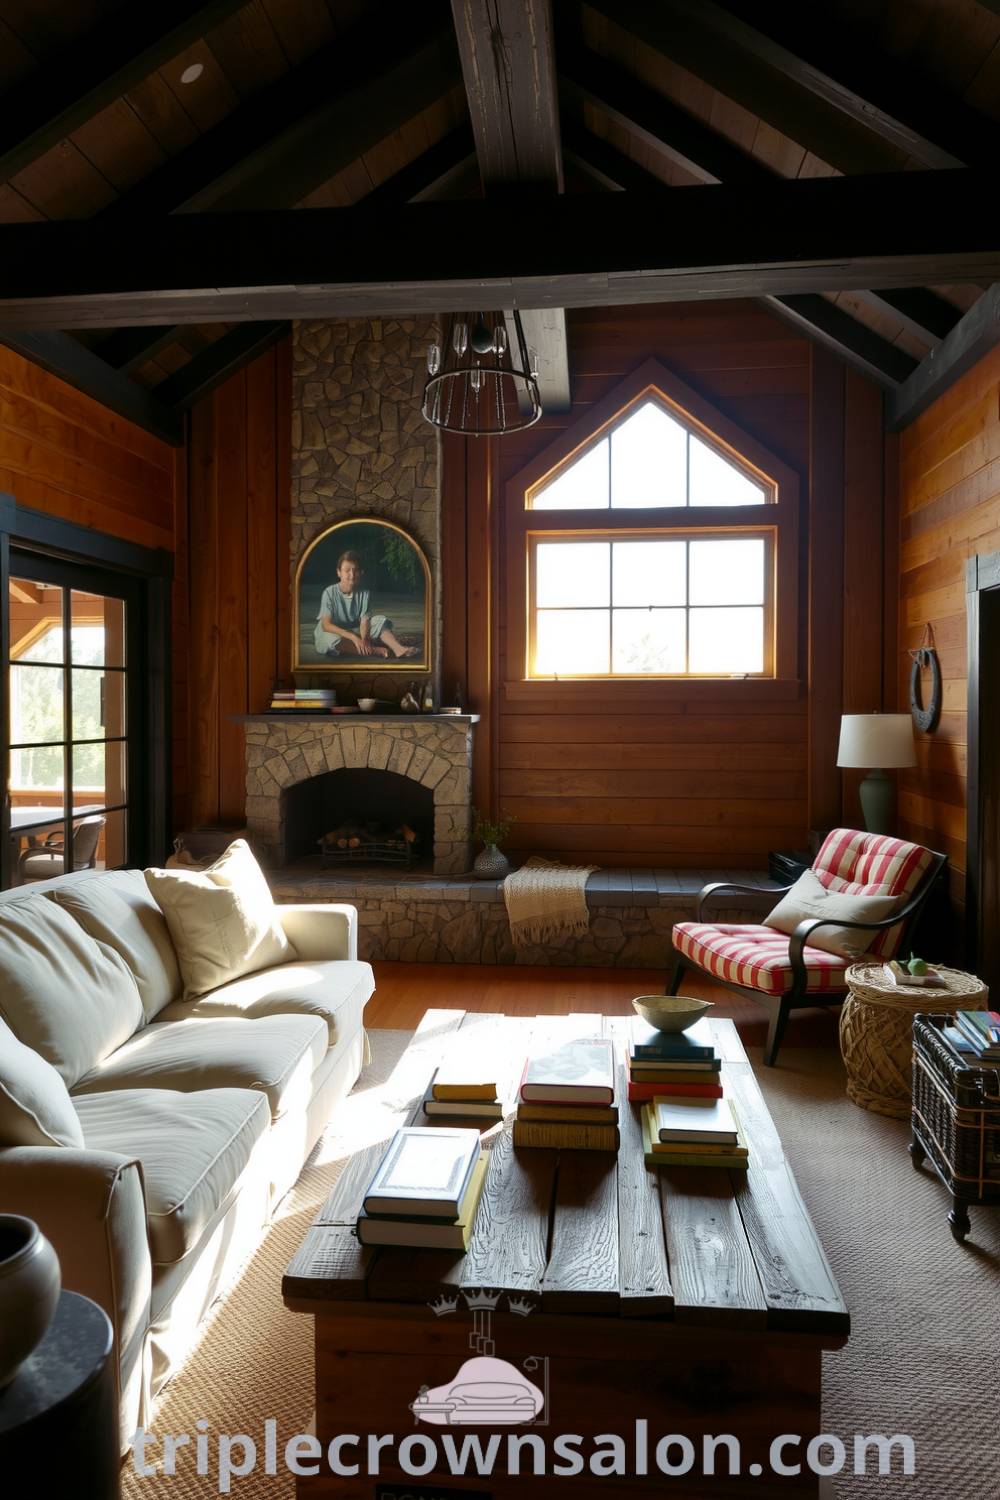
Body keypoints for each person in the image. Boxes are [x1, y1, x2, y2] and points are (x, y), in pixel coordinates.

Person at [313, 549, 417, 659]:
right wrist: (353, 637)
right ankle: (375, 651)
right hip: (334, 632)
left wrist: (363, 639)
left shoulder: (364, 594)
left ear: (361, 572)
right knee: (329, 639)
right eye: (347, 570)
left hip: (355, 630)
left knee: (380, 620)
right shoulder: (329, 592)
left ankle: (398, 649)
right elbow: (326, 625)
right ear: (338, 572)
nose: (352, 575)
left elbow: (364, 621)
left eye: (355, 570)